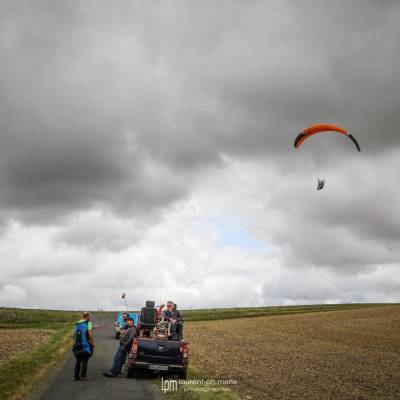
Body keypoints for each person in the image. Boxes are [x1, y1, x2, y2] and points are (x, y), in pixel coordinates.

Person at [72, 312, 94, 381]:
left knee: (78, 360)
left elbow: (73, 335)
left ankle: (76, 376)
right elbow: (90, 333)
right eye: (89, 316)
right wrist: (92, 342)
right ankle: (83, 376)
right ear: (87, 316)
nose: (90, 317)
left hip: (77, 345)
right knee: (85, 359)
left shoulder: (78, 323)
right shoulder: (88, 323)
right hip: (85, 344)